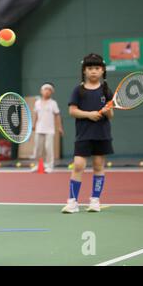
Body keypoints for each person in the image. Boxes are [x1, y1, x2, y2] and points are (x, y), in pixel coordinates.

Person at [62, 53, 114, 214]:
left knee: (98, 166)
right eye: (90, 68)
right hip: (83, 135)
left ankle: (95, 201)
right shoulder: (78, 90)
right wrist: (89, 114)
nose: (93, 71)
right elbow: (72, 111)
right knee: (78, 165)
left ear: (103, 70)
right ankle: (72, 202)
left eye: (97, 68)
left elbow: (111, 115)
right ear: (84, 71)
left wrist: (106, 110)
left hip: (101, 134)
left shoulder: (106, 90)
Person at [31, 82, 63, 173]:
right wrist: (33, 124)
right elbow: (36, 114)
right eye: (45, 89)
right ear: (41, 91)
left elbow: (57, 115)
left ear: (52, 92)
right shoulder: (37, 103)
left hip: (50, 130)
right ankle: (37, 165)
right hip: (39, 129)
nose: (47, 92)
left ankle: (49, 166)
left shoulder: (53, 103)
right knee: (38, 149)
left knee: (49, 149)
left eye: (49, 90)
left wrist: (59, 127)